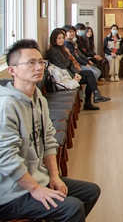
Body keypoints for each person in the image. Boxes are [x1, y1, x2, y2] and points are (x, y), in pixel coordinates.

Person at [0, 39, 101, 221]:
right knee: (72, 208)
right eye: (31, 62)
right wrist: (35, 189)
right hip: (11, 192)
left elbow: (48, 139)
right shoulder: (6, 105)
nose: (39, 67)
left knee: (90, 192)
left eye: (41, 62)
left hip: (38, 177)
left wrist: (54, 176)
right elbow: (7, 159)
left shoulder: (37, 97)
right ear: (12, 70)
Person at [45, 29, 100, 110]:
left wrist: (76, 73)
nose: (61, 40)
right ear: (54, 39)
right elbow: (60, 66)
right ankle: (90, 101)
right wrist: (73, 76)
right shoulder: (52, 51)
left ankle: (95, 95)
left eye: (62, 38)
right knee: (89, 78)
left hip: (70, 73)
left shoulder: (62, 49)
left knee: (90, 73)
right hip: (64, 76)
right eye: (59, 38)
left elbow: (70, 63)